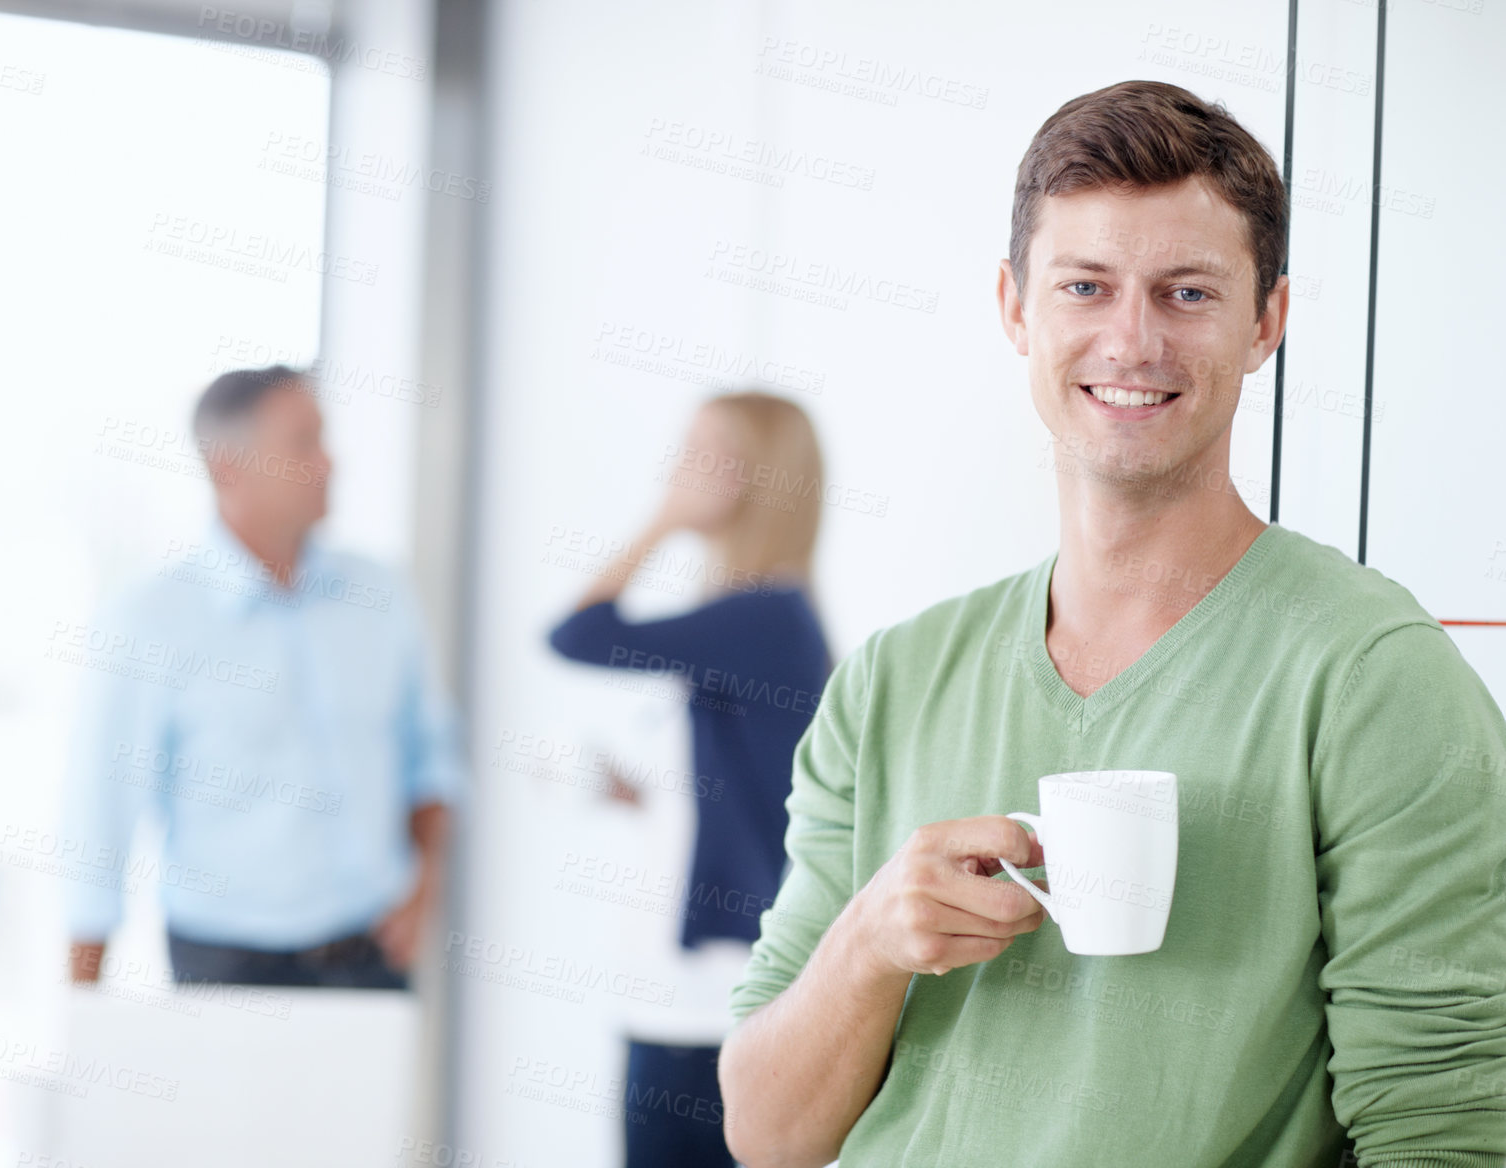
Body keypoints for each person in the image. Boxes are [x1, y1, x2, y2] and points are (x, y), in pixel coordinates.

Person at [719, 80, 1506, 1167]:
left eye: (1187, 292)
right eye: (1085, 285)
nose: (1131, 340)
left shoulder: (1374, 677)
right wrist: (870, 942)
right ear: (1015, 307)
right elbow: (766, 1135)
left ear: (1267, 321)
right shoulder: (892, 679)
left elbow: (1445, 1132)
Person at [63, 365, 464, 990]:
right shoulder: (151, 620)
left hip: (371, 956)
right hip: (227, 965)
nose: (330, 463)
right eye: (304, 443)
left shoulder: (382, 596)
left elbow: (432, 758)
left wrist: (423, 890)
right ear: (228, 467)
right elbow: (101, 816)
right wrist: (82, 1013)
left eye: (325, 438)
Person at [547, 391, 833, 1168]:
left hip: (712, 1002)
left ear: (756, 478)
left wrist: (663, 519)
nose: (681, 468)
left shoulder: (765, 617)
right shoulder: (748, 618)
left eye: (706, 453)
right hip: (679, 989)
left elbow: (578, 633)